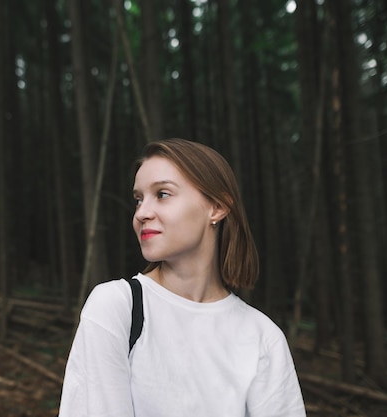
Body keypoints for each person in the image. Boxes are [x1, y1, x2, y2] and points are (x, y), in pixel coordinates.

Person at [59, 138, 306, 416]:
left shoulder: (263, 337)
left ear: (217, 208)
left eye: (162, 194)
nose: (142, 213)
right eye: (138, 199)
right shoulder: (116, 307)